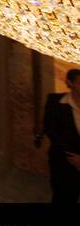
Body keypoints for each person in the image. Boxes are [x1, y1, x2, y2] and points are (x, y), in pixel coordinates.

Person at [41, 68, 80, 204]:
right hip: (63, 163)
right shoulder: (54, 101)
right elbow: (51, 130)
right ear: (70, 83)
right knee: (63, 197)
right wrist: (73, 158)